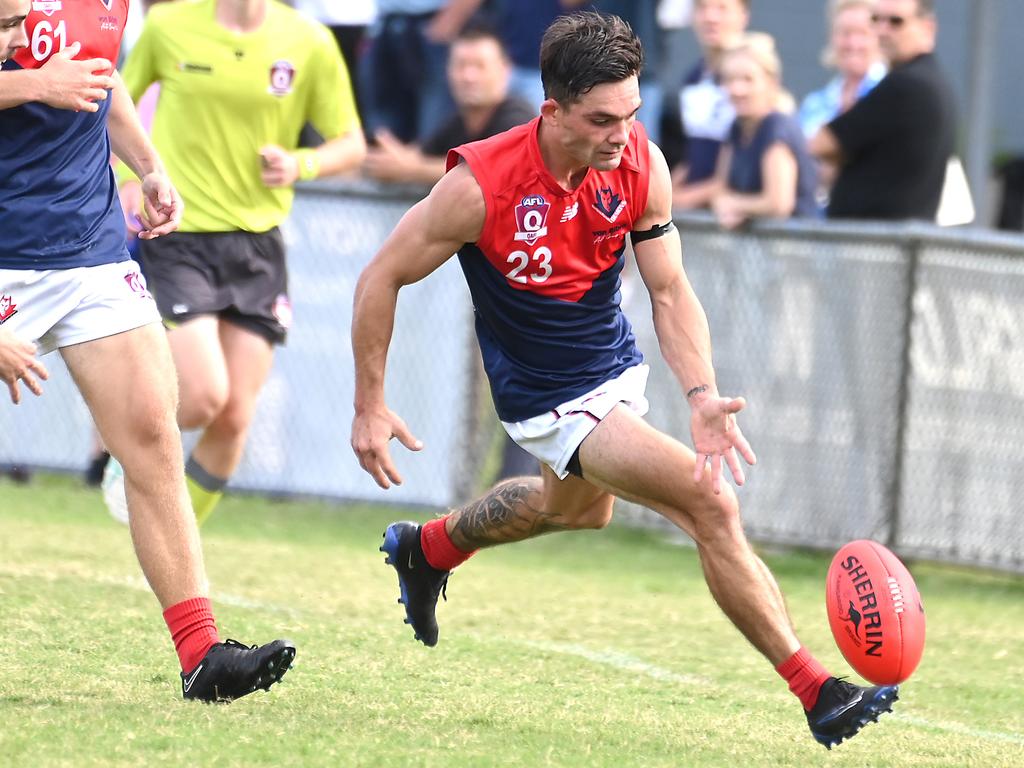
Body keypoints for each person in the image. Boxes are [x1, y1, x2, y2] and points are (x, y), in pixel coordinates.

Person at [351, 11, 898, 750]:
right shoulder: (480, 184)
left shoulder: (641, 161)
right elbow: (381, 276)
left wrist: (702, 398)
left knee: (575, 511)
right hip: (544, 394)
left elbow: (669, 291)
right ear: (553, 111)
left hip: (612, 369)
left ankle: (430, 548)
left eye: (632, 113)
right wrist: (370, 402)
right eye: (602, 119)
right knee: (709, 500)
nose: (622, 133)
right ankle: (817, 691)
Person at [0, 0, 294, 701]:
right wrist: (35, 83)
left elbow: (101, 80)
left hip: (90, 252)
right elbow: (57, 80)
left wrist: (149, 164)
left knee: (154, 436)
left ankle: (204, 657)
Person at [106, 0, 366, 528]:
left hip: (258, 245)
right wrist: (130, 180)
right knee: (203, 396)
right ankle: (129, 440)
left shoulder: (308, 41)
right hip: (180, 235)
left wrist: (300, 162)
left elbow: (352, 143)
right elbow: (116, 105)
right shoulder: (169, 24)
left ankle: (171, 538)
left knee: (235, 417)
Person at [808, 0, 956, 221]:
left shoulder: (907, 85)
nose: (882, 30)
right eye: (876, 20)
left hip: (879, 246)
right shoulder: (926, 80)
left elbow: (822, 143)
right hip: (882, 242)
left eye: (896, 21)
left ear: (928, 27)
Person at [364, 26, 534, 186]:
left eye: (479, 66)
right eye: (461, 66)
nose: (469, 77)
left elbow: (493, 171)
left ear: (505, 70)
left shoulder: (518, 118)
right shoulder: (457, 122)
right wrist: (387, 157)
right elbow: (421, 154)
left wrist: (412, 170)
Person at [710, 34, 817, 228]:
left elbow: (778, 203)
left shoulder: (777, 126)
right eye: (729, 79)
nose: (737, 89)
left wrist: (736, 205)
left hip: (796, 249)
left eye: (747, 79)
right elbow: (721, 188)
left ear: (772, 82)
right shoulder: (735, 127)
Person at [662, 0, 749, 210]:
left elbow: (746, 165)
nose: (711, 17)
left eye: (722, 8)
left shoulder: (752, 79)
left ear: (743, 15)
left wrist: (676, 201)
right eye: (702, 7)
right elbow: (694, 152)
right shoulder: (692, 79)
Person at [798, 0, 886, 140]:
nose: (853, 43)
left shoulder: (890, 95)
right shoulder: (814, 105)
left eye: (862, 33)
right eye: (845, 33)